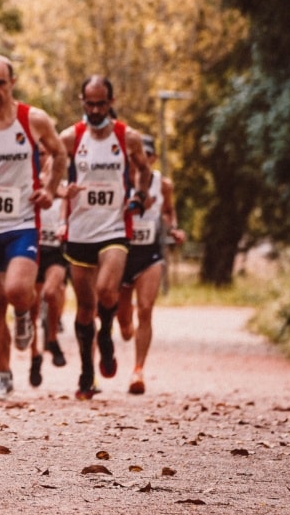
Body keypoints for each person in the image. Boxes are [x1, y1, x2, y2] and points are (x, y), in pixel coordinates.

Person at [0, 55, 66, 400]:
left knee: (16, 289)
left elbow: (60, 154)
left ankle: (25, 312)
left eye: (2, 83)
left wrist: (51, 190)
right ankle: (4, 374)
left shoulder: (33, 119)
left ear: (13, 83)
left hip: (23, 221)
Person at [59, 76, 152, 400]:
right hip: (80, 230)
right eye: (90, 103)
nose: (95, 109)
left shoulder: (128, 137)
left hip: (114, 228)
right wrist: (61, 189)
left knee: (107, 290)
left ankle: (108, 333)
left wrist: (138, 196)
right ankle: (87, 372)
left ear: (111, 102)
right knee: (85, 309)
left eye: (101, 103)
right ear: (82, 101)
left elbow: (144, 170)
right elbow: (49, 172)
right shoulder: (71, 138)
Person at [117, 136, 186, 394]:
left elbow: (168, 211)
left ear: (152, 158)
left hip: (150, 254)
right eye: (134, 155)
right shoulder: (119, 181)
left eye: (144, 155)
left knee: (145, 309)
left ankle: (138, 371)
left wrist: (174, 229)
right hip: (122, 254)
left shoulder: (163, 184)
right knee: (125, 325)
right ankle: (124, 319)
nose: (138, 160)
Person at [35, 183, 70, 374]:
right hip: (33, 248)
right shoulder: (28, 178)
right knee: (32, 304)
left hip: (56, 251)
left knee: (51, 292)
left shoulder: (65, 187)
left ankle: (52, 338)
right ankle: (35, 355)